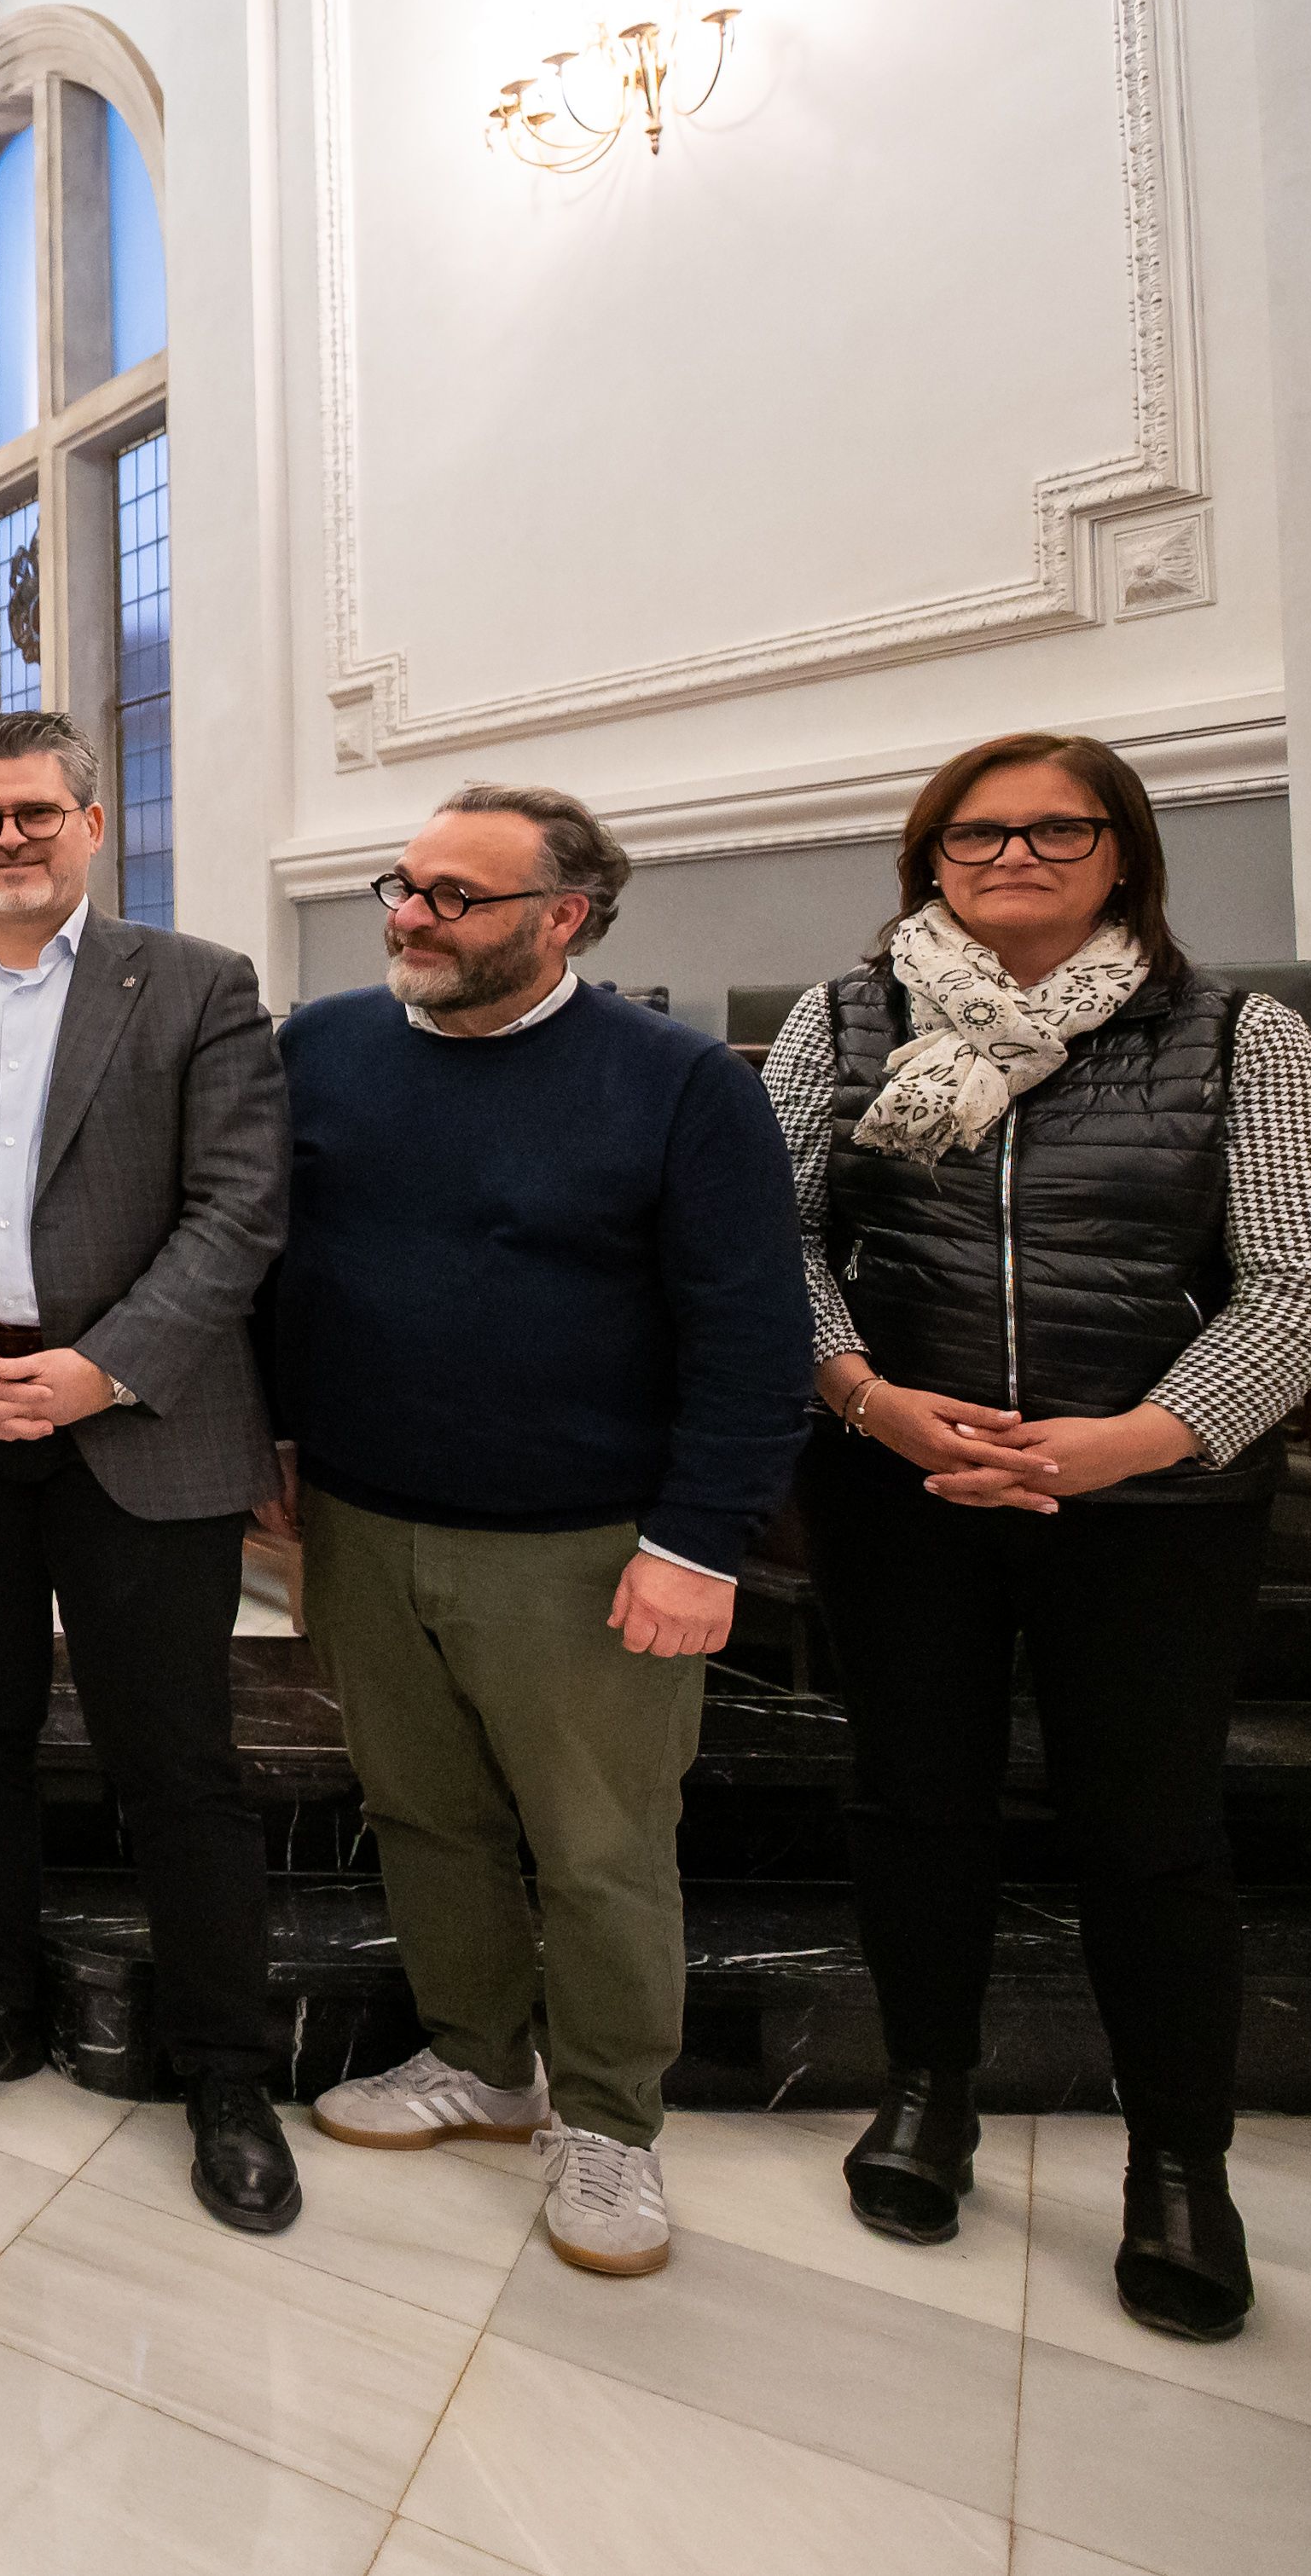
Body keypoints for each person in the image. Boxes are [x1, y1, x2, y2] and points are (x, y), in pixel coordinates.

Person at [770, 732, 1311, 2339]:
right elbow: (769, 1244)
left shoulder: (1236, 1033)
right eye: (974, 834)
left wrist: (1131, 1440)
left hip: (1150, 1501)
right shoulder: (839, 1023)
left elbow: (1304, 1281)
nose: (1011, 857)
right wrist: (863, 1394)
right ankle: (925, 2092)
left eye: (1053, 829)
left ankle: (1178, 2167)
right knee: (912, 1800)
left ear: (1120, 852)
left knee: (1150, 1834)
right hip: (900, 1485)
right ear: (925, 858)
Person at [267, 786, 803, 2281]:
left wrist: (698, 1541)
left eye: (453, 895)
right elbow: (275, 1264)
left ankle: (612, 2119)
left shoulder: (677, 1085)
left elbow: (747, 1334)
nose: (409, 915)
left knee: (598, 1843)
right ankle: (475, 2061)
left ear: (560, 917)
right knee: (421, 1811)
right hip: (366, 1515)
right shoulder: (322, 1048)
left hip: (580, 1539)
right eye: (404, 883)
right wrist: (267, 1435)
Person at [0, 715, 298, 2232]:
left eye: (34, 814)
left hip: (135, 1420)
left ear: (89, 824)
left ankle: (223, 2065)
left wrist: (96, 1367)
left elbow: (236, 1210)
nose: (7, 840)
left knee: (172, 1753)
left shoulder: (192, 985)